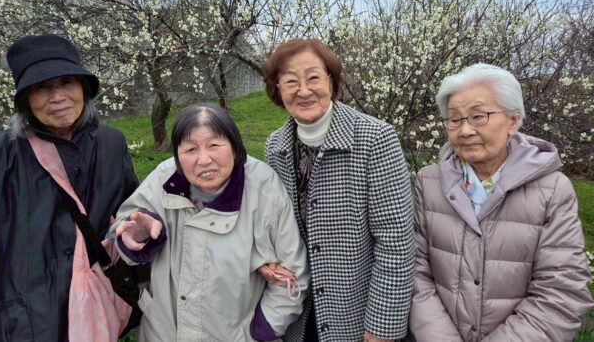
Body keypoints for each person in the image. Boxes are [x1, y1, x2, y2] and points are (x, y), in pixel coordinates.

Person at [410, 63, 593, 341]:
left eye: (478, 116)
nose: (465, 130)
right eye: (454, 119)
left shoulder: (552, 190)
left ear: (512, 121)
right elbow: (414, 273)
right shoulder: (429, 182)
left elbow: (561, 292)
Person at [110, 103, 309, 341]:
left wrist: (261, 330)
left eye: (214, 145)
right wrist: (137, 234)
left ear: (235, 146)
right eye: (190, 149)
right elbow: (127, 228)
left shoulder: (264, 188)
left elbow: (294, 274)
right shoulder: (163, 179)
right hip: (163, 333)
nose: (204, 159)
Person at [260, 39, 415, 342]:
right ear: (277, 89)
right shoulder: (276, 147)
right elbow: (271, 224)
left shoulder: (374, 139)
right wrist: (263, 260)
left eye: (313, 77)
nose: (304, 90)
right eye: (290, 81)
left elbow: (396, 241)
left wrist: (381, 327)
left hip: (356, 316)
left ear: (331, 81)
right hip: (296, 312)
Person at [0, 34, 139, 341]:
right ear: (25, 99)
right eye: (41, 87)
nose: (57, 97)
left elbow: (129, 212)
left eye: (66, 82)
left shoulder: (111, 145)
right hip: (24, 321)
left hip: (95, 308)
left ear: (83, 87)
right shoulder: (3, 155)